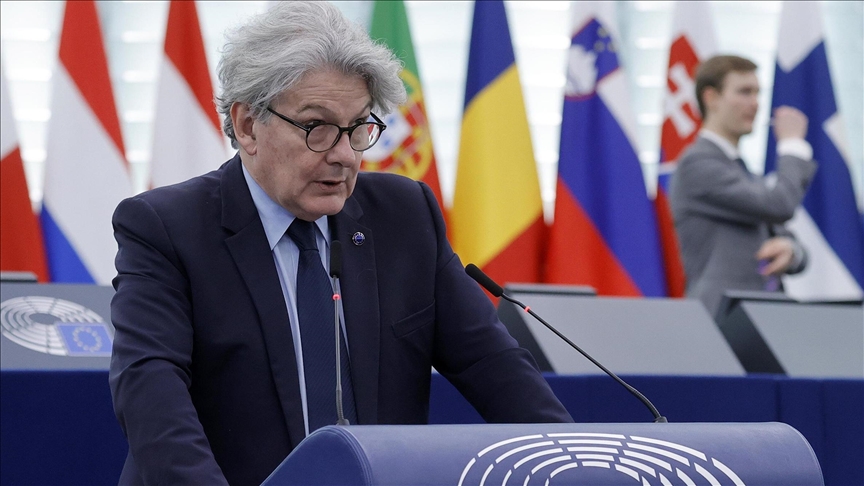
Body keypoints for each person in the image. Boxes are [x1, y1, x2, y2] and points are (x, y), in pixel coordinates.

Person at [108, 2, 572, 485]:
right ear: (247, 125)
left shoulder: (405, 215)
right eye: (318, 128)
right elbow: (151, 394)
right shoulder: (166, 228)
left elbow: (493, 367)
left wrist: (577, 465)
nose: (345, 155)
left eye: (358, 128)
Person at [669, 54, 817, 317]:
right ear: (711, 98)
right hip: (722, 321)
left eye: (757, 93)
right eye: (744, 92)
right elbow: (779, 205)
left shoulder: (744, 172)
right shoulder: (697, 164)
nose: (755, 103)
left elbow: (790, 241)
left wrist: (790, 251)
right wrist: (792, 146)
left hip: (762, 317)